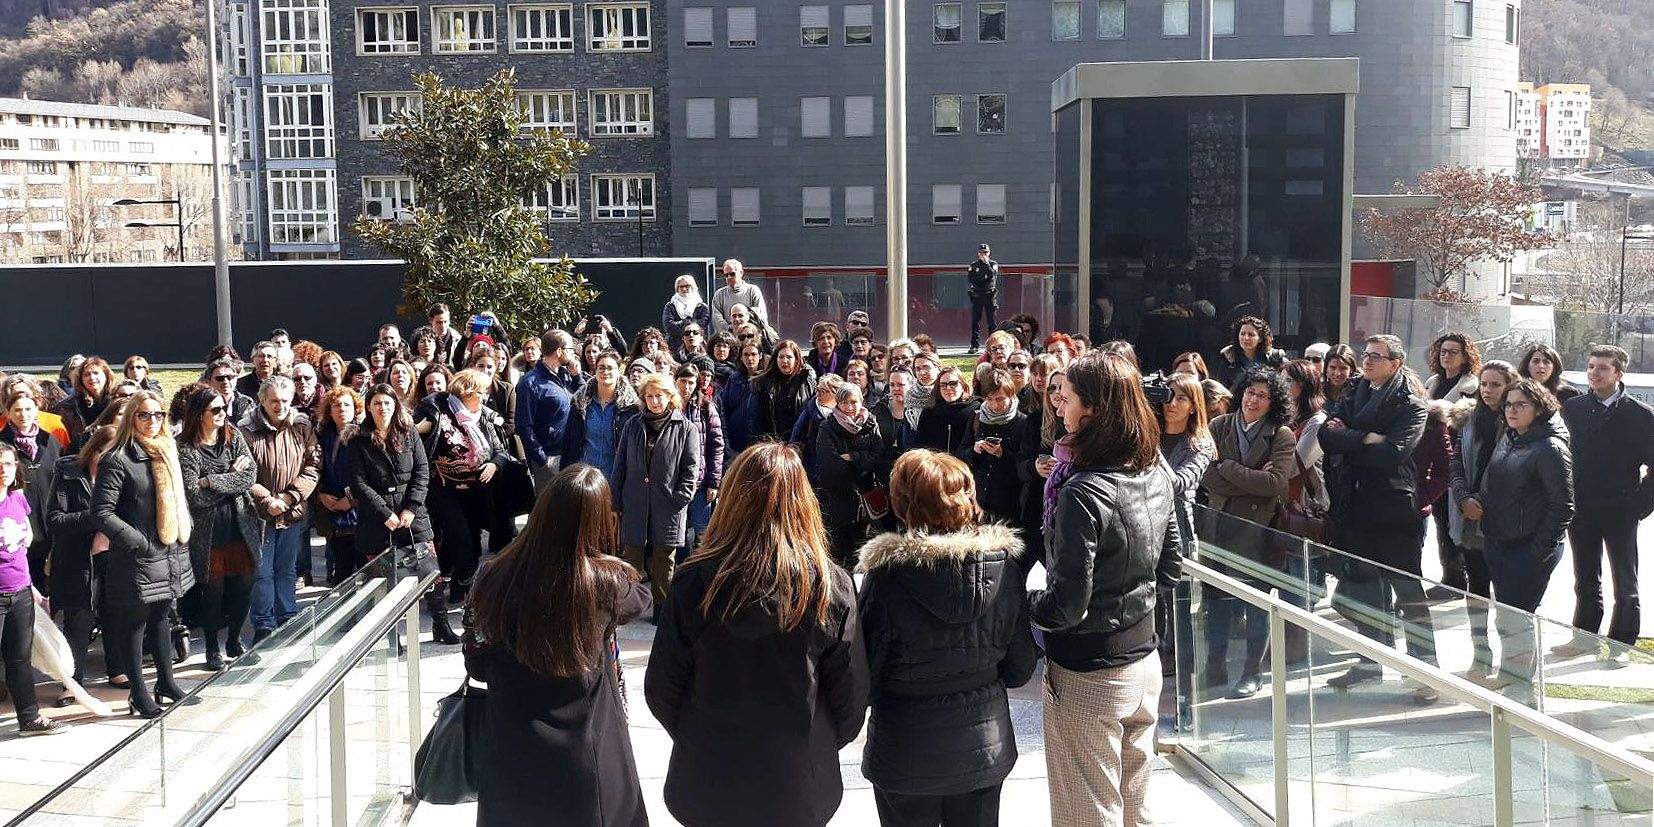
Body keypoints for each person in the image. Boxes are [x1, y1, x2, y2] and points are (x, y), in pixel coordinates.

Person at [644, 442, 868, 827]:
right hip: (796, 781)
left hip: (711, 776)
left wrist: (700, 733)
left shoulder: (693, 584)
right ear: (804, 503)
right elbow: (851, 699)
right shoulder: (830, 586)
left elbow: (663, 689)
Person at [1027, 352, 1180, 826]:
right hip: (1143, 660)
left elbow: (1067, 607)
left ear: (1090, 409)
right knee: (1134, 803)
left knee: (1087, 811)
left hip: (1090, 672)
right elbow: (1172, 567)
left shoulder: (1082, 491)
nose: (1058, 407)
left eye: (1066, 397)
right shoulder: (1154, 469)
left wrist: (1031, 598)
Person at [462, 464, 651, 826]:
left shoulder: (491, 575)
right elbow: (642, 599)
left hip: (511, 746)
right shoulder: (606, 584)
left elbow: (477, 664)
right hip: (585, 752)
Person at [856, 449, 1036, 827]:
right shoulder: (1003, 570)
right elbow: (1020, 667)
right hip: (982, 748)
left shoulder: (887, 578)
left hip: (905, 749)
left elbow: (867, 673)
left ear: (903, 506)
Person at [1318, 334, 1438, 702]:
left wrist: (1352, 440)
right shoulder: (1354, 391)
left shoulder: (1411, 404)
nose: (1367, 361)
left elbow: (1393, 452)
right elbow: (1326, 435)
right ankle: (1369, 660)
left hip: (1392, 509)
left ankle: (1425, 671)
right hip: (1353, 506)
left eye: (1376, 356)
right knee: (1363, 589)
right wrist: (1365, 438)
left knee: (1406, 590)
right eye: (1366, 355)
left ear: (1396, 363)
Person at [91, 390, 196, 719]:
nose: (153, 422)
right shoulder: (117, 458)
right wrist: (137, 541)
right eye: (144, 415)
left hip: (169, 551)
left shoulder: (166, 451)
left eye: (158, 415)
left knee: (163, 619)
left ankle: (166, 682)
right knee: (135, 625)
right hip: (137, 556)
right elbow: (101, 512)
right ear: (131, 418)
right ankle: (138, 693)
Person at [1200, 369, 1294, 699]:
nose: (1254, 400)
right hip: (1216, 525)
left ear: (1274, 403)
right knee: (1216, 600)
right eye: (1250, 392)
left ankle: (1252, 671)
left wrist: (1227, 467)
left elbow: (1275, 484)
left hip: (1255, 531)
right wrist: (1249, 477)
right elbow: (1206, 476)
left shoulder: (1280, 435)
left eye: (1263, 396)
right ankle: (1215, 665)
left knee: (1255, 602)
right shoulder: (1218, 425)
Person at [1555, 345, 1654, 653]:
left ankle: (1621, 645)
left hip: (1621, 510)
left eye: (1602, 368)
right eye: (1591, 366)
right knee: (1585, 578)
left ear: (1618, 373)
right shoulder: (1573, 409)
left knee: (1625, 582)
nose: (1594, 373)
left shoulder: (1640, 415)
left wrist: (1638, 507)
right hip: (1581, 508)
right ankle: (1583, 639)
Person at [1480, 379, 1574, 688]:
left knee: (1518, 618)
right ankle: (1511, 676)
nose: (1512, 410)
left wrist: (1538, 550)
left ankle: (1520, 685)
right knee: (1507, 616)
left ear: (1539, 407)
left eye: (1521, 405)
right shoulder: (1509, 438)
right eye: (1508, 404)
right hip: (1500, 542)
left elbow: (1563, 506)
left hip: (1530, 547)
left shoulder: (1549, 446)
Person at [176, 385, 262, 672]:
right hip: (208, 534)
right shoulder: (186, 449)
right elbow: (193, 495)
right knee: (213, 593)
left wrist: (211, 480)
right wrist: (229, 478)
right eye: (215, 410)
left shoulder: (234, 437)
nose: (222, 414)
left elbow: (249, 477)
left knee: (244, 588)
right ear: (199, 414)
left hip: (240, 527)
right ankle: (212, 647)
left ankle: (235, 640)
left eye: (223, 408)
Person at [350, 384, 443, 640]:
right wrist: (384, 513)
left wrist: (411, 507)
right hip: (377, 520)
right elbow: (359, 484)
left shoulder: (409, 432)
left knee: (429, 572)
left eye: (387, 403)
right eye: (377, 403)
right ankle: (391, 637)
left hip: (413, 514)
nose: (383, 408)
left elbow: (422, 472)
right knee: (383, 580)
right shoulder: (358, 439)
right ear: (369, 407)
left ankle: (441, 624)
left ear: (395, 406)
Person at [418, 370, 513, 616]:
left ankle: (460, 586)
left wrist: (494, 464)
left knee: (471, 543)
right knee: (459, 537)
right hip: (444, 489)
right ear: (467, 392)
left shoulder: (484, 417)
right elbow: (416, 438)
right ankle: (453, 584)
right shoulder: (437, 412)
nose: (484, 397)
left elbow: (501, 451)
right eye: (481, 392)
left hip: (476, 491)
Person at [1448, 360, 1518, 681]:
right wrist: (1464, 498)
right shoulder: (1468, 419)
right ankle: (1480, 657)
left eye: (1496, 385)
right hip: (1471, 518)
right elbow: (1456, 464)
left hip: (1504, 521)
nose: (1488, 391)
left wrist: (1484, 502)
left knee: (1508, 599)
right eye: (1484, 384)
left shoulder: (1519, 423)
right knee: (1475, 590)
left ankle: (1512, 667)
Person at [613, 373, 701, 617]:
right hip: (635, 501)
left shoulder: (686, 428)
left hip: (668, 503)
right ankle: (628, 607)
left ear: (669, 397)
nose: (654, 401)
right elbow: (620, 465)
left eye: (658, 396)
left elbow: (691, 469)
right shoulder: (633, 424)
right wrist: (616, 501)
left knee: (664, 557)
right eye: (649, 397)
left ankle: (662, 609)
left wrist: (679, 498)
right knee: (632, 554)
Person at [47, 425, 122, 703]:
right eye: (105, 452)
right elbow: (54, 520)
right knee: (79, 623)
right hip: (76, 561)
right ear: (93, 450)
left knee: (114, 614)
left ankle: (117, 669)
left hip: (113, 557)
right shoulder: (68, 473)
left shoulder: (122, 475)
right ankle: (72, 681)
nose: (110, 460)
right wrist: (98, 517)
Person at [243, 375, 320, 643]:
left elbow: (312, 467)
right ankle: (263, 623)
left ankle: (287, 617)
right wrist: (268, 501)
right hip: (259, 516)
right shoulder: (246, 430)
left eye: (285, 400)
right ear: (262, 400)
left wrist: (288, 498)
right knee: (261, 572)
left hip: (293, 512)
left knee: (287, 569)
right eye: (274, 400)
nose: (280, 406)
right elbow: (243, 474)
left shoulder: (302, 427)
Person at [0, 443, 64, 735]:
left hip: (20, 591)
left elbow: (23, 548)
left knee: (19, 657)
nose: (4, 470)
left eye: (10, 464)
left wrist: (32, 588)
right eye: (0, 464)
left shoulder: (17, 498)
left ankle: (29, 717)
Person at [815, 384, 882, 567]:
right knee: (839, 548)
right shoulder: (828, 427)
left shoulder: (871, 423)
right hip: (839, 497)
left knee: (862, 549)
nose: (850, 407)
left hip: (866, 494)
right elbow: (830, 464)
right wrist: (862, 463)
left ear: (861, 402)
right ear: (838, 404)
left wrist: (853, 457)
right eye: (845, 402)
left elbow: (877, 456)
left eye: (854, 402)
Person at [1, 394, 62, 588]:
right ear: (8, 413)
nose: (23, 415)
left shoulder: (50, 440)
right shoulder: (3, 444)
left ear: (36, 410)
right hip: (16, 533)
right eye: (17, 410)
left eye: (28, 409)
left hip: (51, 527)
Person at [562, 351, 640, 482]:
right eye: (601, 367)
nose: (605, 371)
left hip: (616, 478)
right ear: (595, 371)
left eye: (610, 368)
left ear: (619, 371)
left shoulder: (631, 407)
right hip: (583, 476)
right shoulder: (580, 403)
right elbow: (569, 441)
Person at [966, 368, 1029, 525]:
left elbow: (1025, 465)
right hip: (977, 502)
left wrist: (1002, 453)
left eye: (1000, 399)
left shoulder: (1023, 422)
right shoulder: (977, 418)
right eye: (990, 399)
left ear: (1011, 395)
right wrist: (975, 449)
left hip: (1009, 504)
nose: (995, 405)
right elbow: (961, 453)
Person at [313, 386, 362, 583]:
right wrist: (321, 494)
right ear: (329, 410)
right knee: (342, 569)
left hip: (360, 512)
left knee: (365, 566)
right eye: (337, 405)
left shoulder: (363, 434)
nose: (342, 408)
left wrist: (350, 499)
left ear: (355, 408)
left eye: (347, 404)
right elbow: (314, 467)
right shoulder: (322, 434)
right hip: (331, 510)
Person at [517, 329, 576, 488]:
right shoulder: (530, 383)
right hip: (548, 457)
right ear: (559, 351)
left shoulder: (566, 375)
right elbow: (524, 425)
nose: (574, 353)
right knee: (546, 508)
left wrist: (577, 376)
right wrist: (541, 459)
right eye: (571, 349)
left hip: (568, 454)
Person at [754, 340, 816, 442]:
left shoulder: (806, 381)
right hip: (774, 441)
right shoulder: (765, 382)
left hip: (801, 441)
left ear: (796, 359)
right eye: (781, 357)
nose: (784, 361)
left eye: (789, 357)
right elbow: (758, 417)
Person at [791, 374, 845, 480]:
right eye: (818, 389)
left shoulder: (846, 412)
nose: (818, 394)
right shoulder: (809, 412)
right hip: (814, 471)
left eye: (823, 391)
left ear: (836, 394)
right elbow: (796, 439)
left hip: (840, 472)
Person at [1214, 316, 1287, 390]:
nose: (1246, 338)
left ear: (1260, 338)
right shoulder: (1228, 360)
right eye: (1242, 334)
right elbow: (1221, 390)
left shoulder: (1275, 358)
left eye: (1251, 334)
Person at [916, 366, 974, 456]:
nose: (948, 388)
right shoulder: (929, 413)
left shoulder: (974, 409)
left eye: (953, 383)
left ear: (962, 386)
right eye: (943, 385)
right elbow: (920, 446)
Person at [56, 355, 113, 444]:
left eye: (96, 373)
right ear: (81, 379)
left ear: (106, 375)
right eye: (86, 375)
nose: (92, 377)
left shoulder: (117, 398)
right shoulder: (68, 405)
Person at [711, 258, 770, 334]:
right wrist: (729, 328)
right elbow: (716, 318)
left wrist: (745, 329)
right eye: (726, 275)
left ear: (741, 273)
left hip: (750, 336)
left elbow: (761, 314)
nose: (729, 277)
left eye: (732, 274)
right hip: (729, 337)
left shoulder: (752, 290)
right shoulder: (719, 294)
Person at [1424, 333, 1481, 403]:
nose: (1446, 356)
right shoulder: (1430, 383)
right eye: (1443, 352)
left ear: (1465, 357)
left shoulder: (1471, 387)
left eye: (1453, 352)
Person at [663, 274, 712, 350]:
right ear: (677, 289)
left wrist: (682, 323)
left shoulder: (701, 306)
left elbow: (703, 323)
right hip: (674, 346)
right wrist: (689, 324)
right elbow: (669, 326)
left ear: (693, 287)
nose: (684, 289)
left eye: (687, 286)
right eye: (681, 286)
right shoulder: (670, 306)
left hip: (696, 346)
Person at [967, 243, 1000, 353]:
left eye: (985, 253)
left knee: (992, 322)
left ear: (989, 253)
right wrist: (981, 280)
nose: (983, 255)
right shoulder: (974, 265)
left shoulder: (993, 264)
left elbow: (992, 276)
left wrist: (986, 265)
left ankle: (993, 346)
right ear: (978, 254)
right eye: (981, 253)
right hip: (977, 296)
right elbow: (972, 279)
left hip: (989, 295)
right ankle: (974, 345)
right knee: (975, 321)